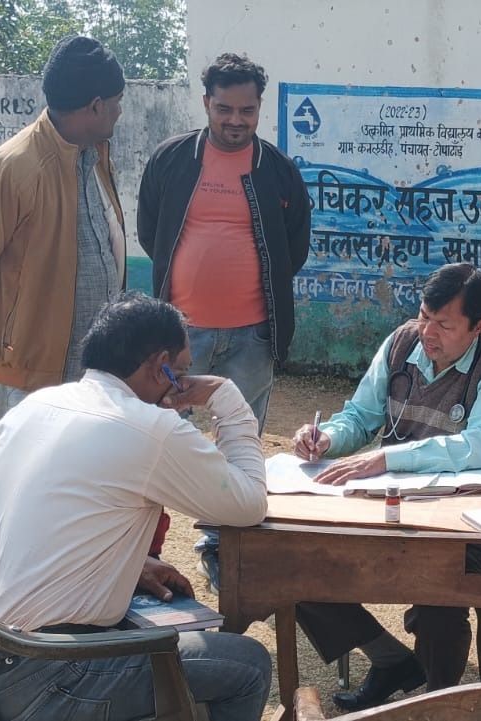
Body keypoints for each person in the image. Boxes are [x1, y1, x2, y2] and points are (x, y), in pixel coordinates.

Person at [0, 294, 272, 721]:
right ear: (160, 365)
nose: (182, 385)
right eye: (180, 374)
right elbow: (249, 503)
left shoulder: (35, 406)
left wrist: (129, 564)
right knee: (247, 665)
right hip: (46, 674)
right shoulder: (150, 429)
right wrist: (226, 397)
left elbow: (48, 523)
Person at [288, 262, 481, 711]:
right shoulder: (401, 343)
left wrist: (389, 458)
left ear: (479, 326)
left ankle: (438, 705)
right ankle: (391, 660)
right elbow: (360, 417)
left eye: (444, 325)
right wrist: (327, 439)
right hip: (387, 507)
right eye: (423, 316)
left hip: (463, 521)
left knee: (439, 593)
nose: (428, 333)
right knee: (293, 562)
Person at [137, 52, 311, 588]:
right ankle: (140, 553)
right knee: (155, 441)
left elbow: (294, 249)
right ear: (206, 103)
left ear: (260, 108)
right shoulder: (171, 160)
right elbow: (150, 232)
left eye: (247, 110)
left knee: (239, 444)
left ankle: (221, 551)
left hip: (252, 335)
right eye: (224, 109)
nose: (236, 120)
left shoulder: (278, 171)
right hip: (177, 338)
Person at [0, 36, 128, 421]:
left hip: (97, 367)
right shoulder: (13, 169)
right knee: (30, 458)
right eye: (117, 102)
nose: (119, 111)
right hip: (34, 370)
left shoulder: (95, 157)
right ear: (96, 106)